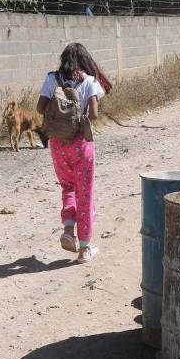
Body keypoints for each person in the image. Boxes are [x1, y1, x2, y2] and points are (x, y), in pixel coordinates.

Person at [36, 43, 112, 264]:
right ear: (85, 60)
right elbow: (94, 115)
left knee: (68, 187)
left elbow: (40, 108)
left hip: (58, 144)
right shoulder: (89, 81)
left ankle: (69, 230)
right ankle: (85, 248)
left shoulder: (53, 79)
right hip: (81, 145)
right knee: (85, 193)